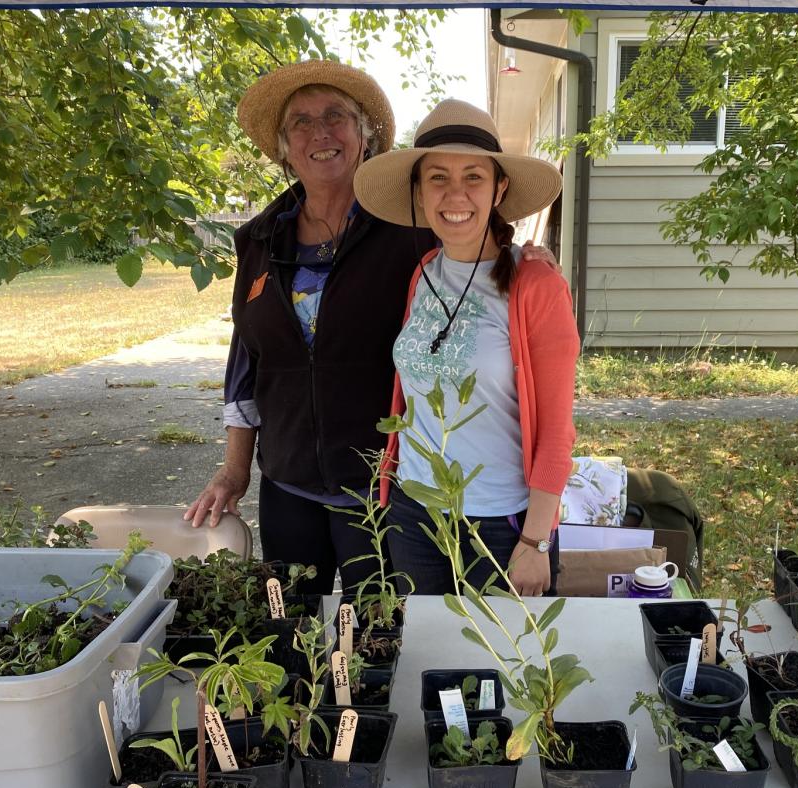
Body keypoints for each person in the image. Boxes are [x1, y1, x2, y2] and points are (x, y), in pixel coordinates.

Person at [185, 63, 556, 596]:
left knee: (383, 644)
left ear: (365, 136)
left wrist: (528, 261)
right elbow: (246, 363)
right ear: (284, 148)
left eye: (336, 116)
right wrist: (233, 470)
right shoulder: (259, 241)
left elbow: (473, 238)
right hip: (287, 484)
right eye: (301, 122)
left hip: (382, 490)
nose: (320, 133)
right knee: (294, 633)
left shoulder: (411, 233)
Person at [353, 99, 580, 597]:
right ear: (418, 190)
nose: (455, 193)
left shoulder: (534, 284)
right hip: (414, 513)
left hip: (501, 524)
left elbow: (558, 431)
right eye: (437, 177)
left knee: (502, 667)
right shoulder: (424, 273)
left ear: (499, 188)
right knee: (427, 659)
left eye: (473, 176)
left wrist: (536, 540)